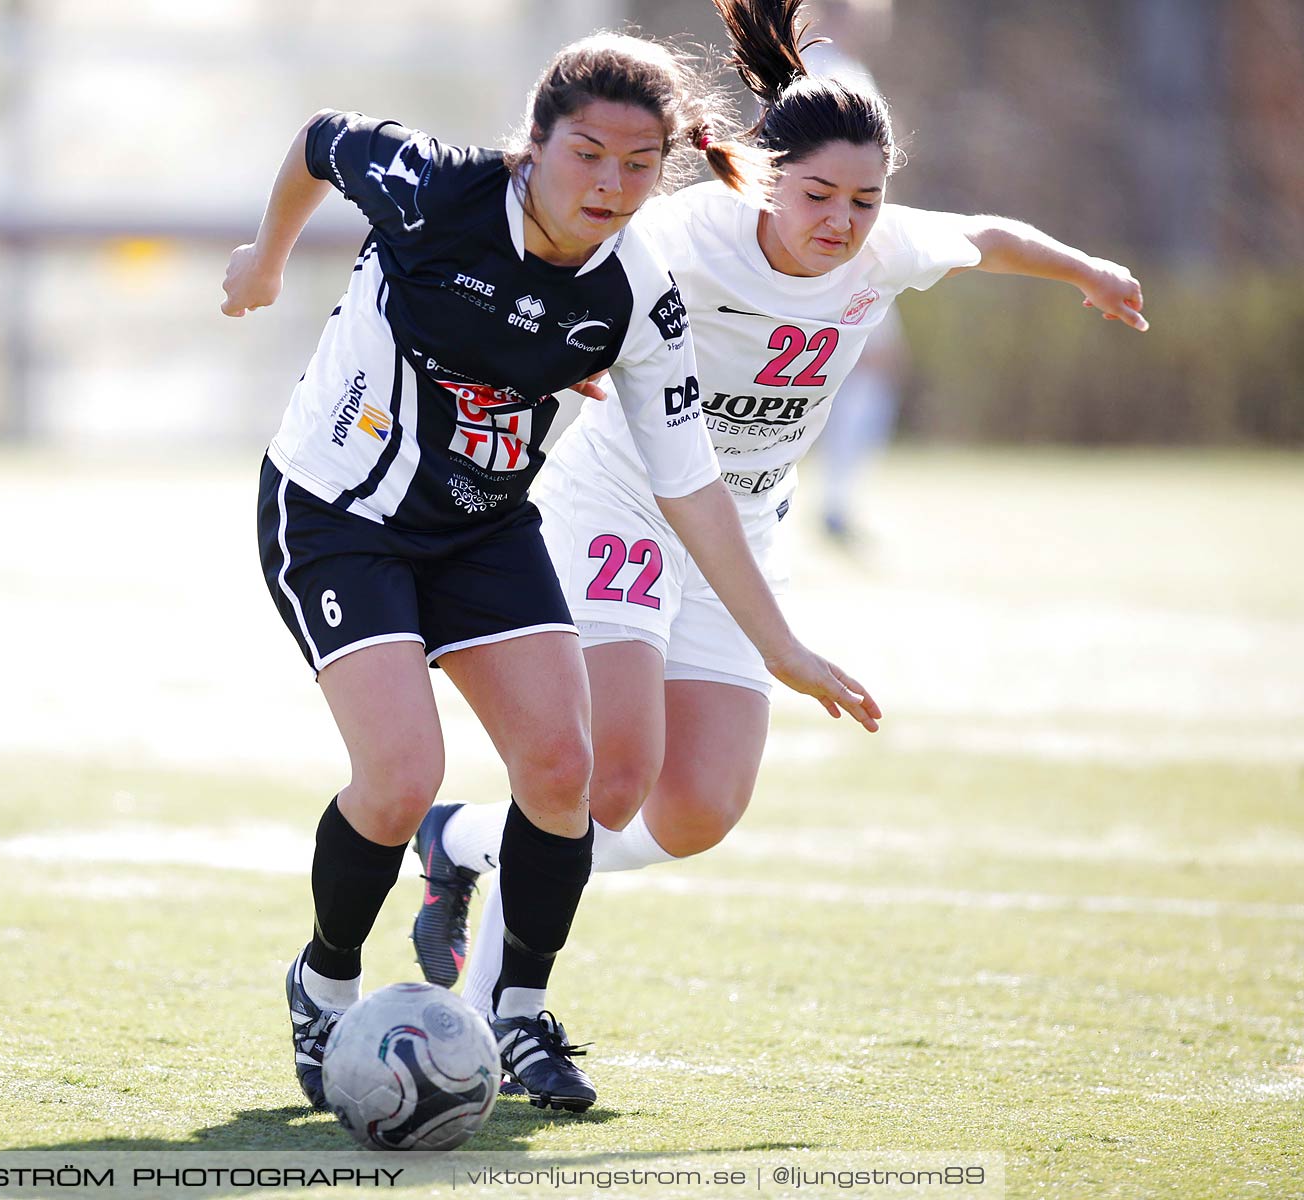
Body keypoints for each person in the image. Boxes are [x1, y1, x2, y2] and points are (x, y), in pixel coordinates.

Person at [408, 0, 1148, 1041]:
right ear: (763, 177)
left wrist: (1085, 269)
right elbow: (562, 269)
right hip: (622, 502)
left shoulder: (880, 248)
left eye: (864, 198)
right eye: (817, 195)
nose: (842, 220)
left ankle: (466, 843)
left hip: (743, 529)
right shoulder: (682, 235)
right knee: (609, 781)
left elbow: (983, 235)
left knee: (698, 811)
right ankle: (503, 1017)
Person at [222, 31, 880, 1113]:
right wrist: (266, 257)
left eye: (638, 163)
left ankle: (517, 1009)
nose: (611, 184)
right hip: (341, 515)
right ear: (534, 144)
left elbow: (692, 486)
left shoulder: (635, 294)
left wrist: (782, 648)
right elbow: (317, 142)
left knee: (566, 773)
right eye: (588, 154)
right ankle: (323, 978)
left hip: (483, 530)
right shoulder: (436, 190)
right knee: (399, 783)